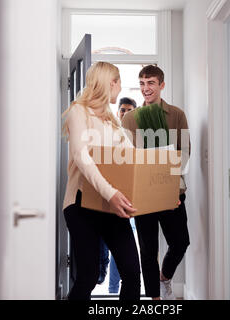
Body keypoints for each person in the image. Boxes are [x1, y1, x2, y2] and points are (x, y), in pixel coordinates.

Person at [62, 61, 140, 300]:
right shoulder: (79, 111)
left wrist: (164, 196)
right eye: (119, 83)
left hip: (111, 207)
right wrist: (111, 194)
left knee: (132, 272)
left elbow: (132, 162)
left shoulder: (113, 122)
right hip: (81, 205)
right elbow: (81, 156)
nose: (120, 89)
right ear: (111, 83)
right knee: (88, 274)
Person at [121, 65, 191, 300]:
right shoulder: (130, 119)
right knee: (148, 250)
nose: (145, 88)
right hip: (143, 194)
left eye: (150, 83)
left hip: (172, 192)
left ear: (161, 85)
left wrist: (171, 188)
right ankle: (155, 298)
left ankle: (164, 277)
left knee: (181, 242)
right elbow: (126, 159)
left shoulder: (177, 114)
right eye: (141, 83)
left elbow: (185, 153)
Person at [96, 97, 138, 294]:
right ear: (117, 111)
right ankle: (106, 282)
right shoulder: (107, 131)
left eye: (130, 110)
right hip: (102, 201)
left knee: (122, 256)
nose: (125, 113)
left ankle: (113, 290)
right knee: (101, 256)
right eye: (123, 110)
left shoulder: (136, 136)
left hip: (126, 203)